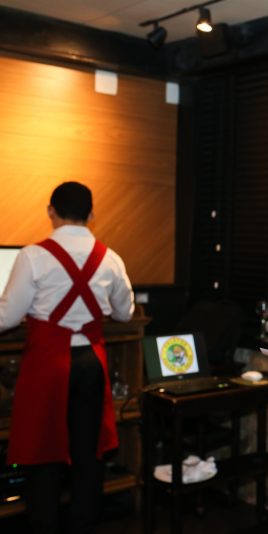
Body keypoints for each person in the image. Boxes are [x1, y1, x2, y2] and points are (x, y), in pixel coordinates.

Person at [0, 181, 134, 534]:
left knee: (42, 450)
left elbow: (7, 318)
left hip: (47, 363)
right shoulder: (111, 257)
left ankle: (44, 524)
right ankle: (82, 524)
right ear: (92, 215)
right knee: (89, 451)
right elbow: (125, 313)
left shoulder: (33, 255)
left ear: (50, 211)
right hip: (92, 362)